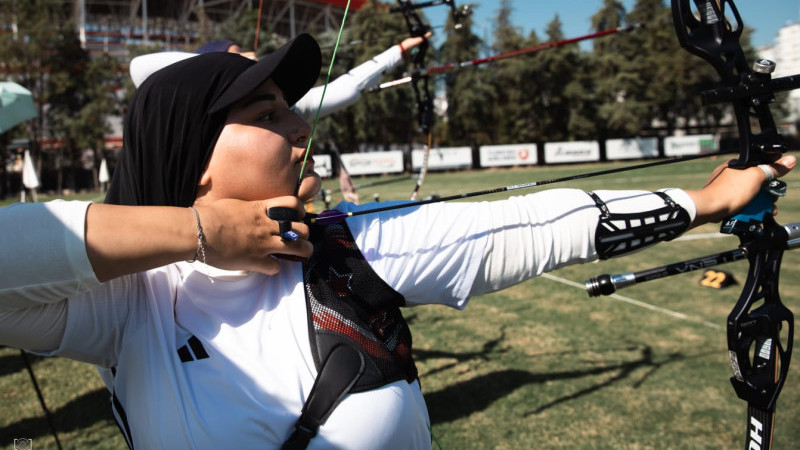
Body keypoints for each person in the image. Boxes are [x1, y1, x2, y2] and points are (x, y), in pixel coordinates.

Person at [0, 33, 795, 449]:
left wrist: (703, 199)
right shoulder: (126, 306)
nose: (302, 125)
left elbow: (530, 225)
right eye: (269, 114)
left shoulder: (342, 248)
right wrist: (201, 236)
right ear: (190, 162)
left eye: (293, 107)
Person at [128, 34, 431, 120]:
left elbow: (349, 86)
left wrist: (398, 51)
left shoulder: (290, 108)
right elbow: (140, 68)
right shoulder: (206, 121)